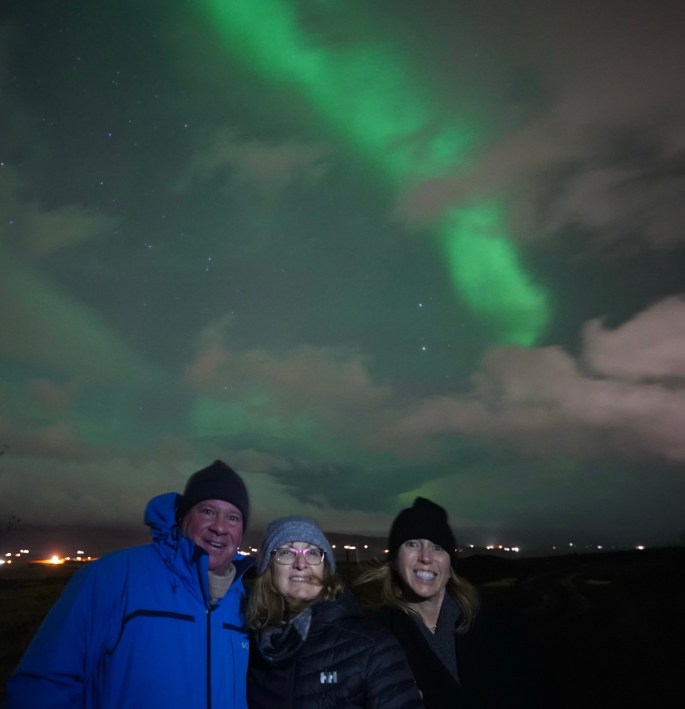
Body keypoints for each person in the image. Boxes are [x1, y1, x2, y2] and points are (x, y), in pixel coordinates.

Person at [6, 459, 254, 708]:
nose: (220, 527)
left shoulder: (245, 601)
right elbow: (43, 685)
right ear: (183, 517)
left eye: (233, 517)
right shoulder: (113, 577)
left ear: (241, 532)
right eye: (208, 511)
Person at [356, 497, 542, 709]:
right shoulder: (376, 637)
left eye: (437, 547)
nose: (426, 557)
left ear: (450, 563)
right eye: (412, 544)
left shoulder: (497, 619)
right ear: (395, 561)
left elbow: (532, 690)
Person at [246, 516, 424, 708]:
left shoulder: (372, 645)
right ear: (268, 568)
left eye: (313, 553)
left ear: (325, 569)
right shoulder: (252, 648)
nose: (301, 563)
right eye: (286, 552)